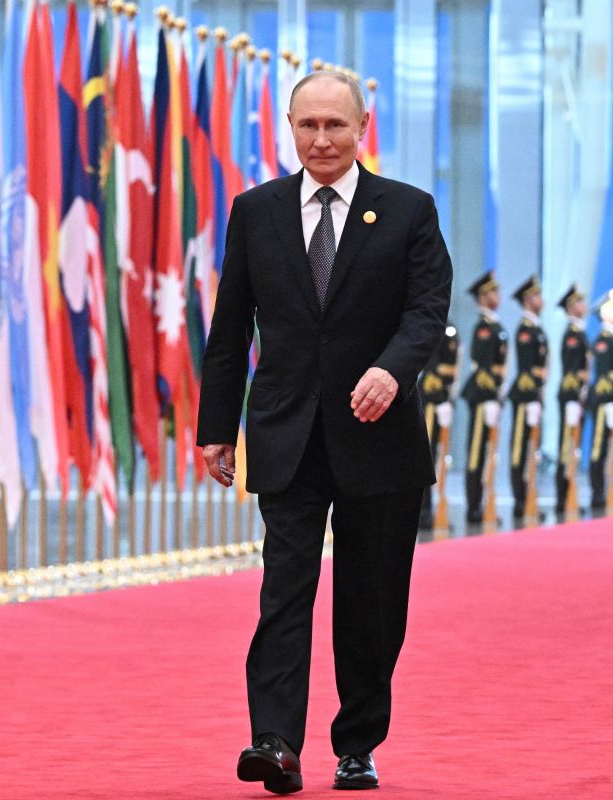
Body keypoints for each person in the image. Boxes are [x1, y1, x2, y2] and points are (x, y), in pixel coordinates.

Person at [196, 70, 451, 794]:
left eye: (335, 125)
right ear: (290, 127)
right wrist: (217, 427)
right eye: (307, 125)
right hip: (288, 436)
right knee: (284, 593)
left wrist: (393, 370)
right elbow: (230, 328)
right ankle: (274, 742)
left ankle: (357, 744)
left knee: (371, 602)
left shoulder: (408, 210)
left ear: (362, 126)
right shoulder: (257, 211)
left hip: (379, 438)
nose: (321, 139)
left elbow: (427, 311)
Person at [459, 272, 507, 524]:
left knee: (487, 452)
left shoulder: (495, 326)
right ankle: (473, 506)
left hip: (490, 396)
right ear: (483, 297)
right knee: (477, 451)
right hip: (481, 395)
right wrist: (491, 394)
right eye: (493, 292)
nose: (498, 296)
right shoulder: (484, 328)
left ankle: (482, 503)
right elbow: (483, 366)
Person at [506, 276, 548, 522]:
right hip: (524, 396)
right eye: (537, 296)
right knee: (520, 449)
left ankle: (528, 497)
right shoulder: (525, 329)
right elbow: (526, 369)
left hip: (534, 396)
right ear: (528, 300)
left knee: (531, 449)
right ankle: (520, 500)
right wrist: (533, 394)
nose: (541, 300)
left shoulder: (536, 328)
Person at [586, 291, 613, 511]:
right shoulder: (603, 341)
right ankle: (597, 493)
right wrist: (611, 396)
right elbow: (603, 376)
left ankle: (607, 490)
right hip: (604, 401)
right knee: (598, 448)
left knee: (611, 449)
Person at [417, 322, 460, 529]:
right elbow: (432, 364)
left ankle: (431, 509)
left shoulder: (449, 327)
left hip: (443, 399)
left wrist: (448, 398)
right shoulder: (433, 324)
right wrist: (439, 397)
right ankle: (423, 511)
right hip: (432, 398)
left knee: (439, 456)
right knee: (426, 455)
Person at [554, 285, 590, 513]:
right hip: (571, 395)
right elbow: (571, 369)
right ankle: (562, 497)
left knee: (572, 446)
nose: (582, 306)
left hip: (578, 395)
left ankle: (568, 495)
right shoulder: (572, 334)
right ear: (570, 307)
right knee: (566, 446)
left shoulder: (579, 332)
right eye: (578, 302)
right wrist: (576, 393)